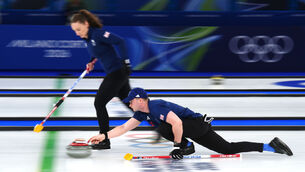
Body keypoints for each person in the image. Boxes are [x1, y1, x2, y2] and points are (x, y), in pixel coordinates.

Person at [88, 87, 293, 159]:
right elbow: (124, 127)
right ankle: (270, 146)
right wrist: (104, 135)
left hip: (195, 124)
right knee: (227, 149)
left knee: (163, 127)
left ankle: (187, 146)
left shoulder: (156, 106)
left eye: (131, 101)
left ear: (141, 99)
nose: (129, 104)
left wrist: (178, 146)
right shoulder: (143, 112)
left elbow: (177, 123)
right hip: (194, 126)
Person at [70, 9, 132, 149]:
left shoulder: (97, 34)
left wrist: (126, 62)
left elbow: (120, 41)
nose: (77, 33)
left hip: (118, 72)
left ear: (86, 24)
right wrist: (92, 61)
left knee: (99, 103)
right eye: (75, 31)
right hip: (115, 72)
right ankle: (160, 125)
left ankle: (104, 139)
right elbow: (99, 51)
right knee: (130, 103)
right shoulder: (87, 38)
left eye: (79, 29)